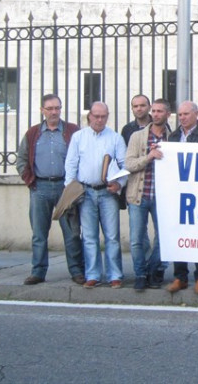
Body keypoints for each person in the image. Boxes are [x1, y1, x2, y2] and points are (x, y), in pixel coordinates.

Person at [16, 94, 84, 285]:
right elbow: (21, 159)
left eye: (57, 108)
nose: (54, 112)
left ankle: (77, 271)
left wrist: (75, 185)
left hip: (66, 188)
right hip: (40, 187)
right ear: (42, 110)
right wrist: (29, 180)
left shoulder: (72, 131)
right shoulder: (32, 133)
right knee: (39, 233)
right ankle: (38, 272)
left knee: (71, 232)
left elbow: (82, 156)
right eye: (50, 108)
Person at [64, 101, 126, 288]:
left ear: (107, 117)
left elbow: (125, 166)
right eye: (96, 116)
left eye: (103, 116)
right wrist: (70, 191)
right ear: (89, 116)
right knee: (89, 236)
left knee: (112, 236)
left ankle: (115, 275)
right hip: (86, 192)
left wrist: (119, 184)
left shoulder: (115, 138)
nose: (99, 120)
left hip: (108, 193)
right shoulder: (78, 137)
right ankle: (93, 274)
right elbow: (71, 164)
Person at [166, 100, 198, 295]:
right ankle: (180, 276)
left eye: (186, 114)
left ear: (196, 114)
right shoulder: (173, 136)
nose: (182, 118)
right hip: (178, 192)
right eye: (180, 115)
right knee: (179, 234)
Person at [124, 99, 171, 292]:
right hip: (139, 194)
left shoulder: (173, 138)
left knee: (164, 238)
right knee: (136, 238)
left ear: (168, 114)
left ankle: (153, 270)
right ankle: (141, 274)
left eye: (161, 111)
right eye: (155, 111)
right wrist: (149, 157)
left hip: (163, 197)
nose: (157, 114)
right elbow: (129, 164)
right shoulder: (137, 136)